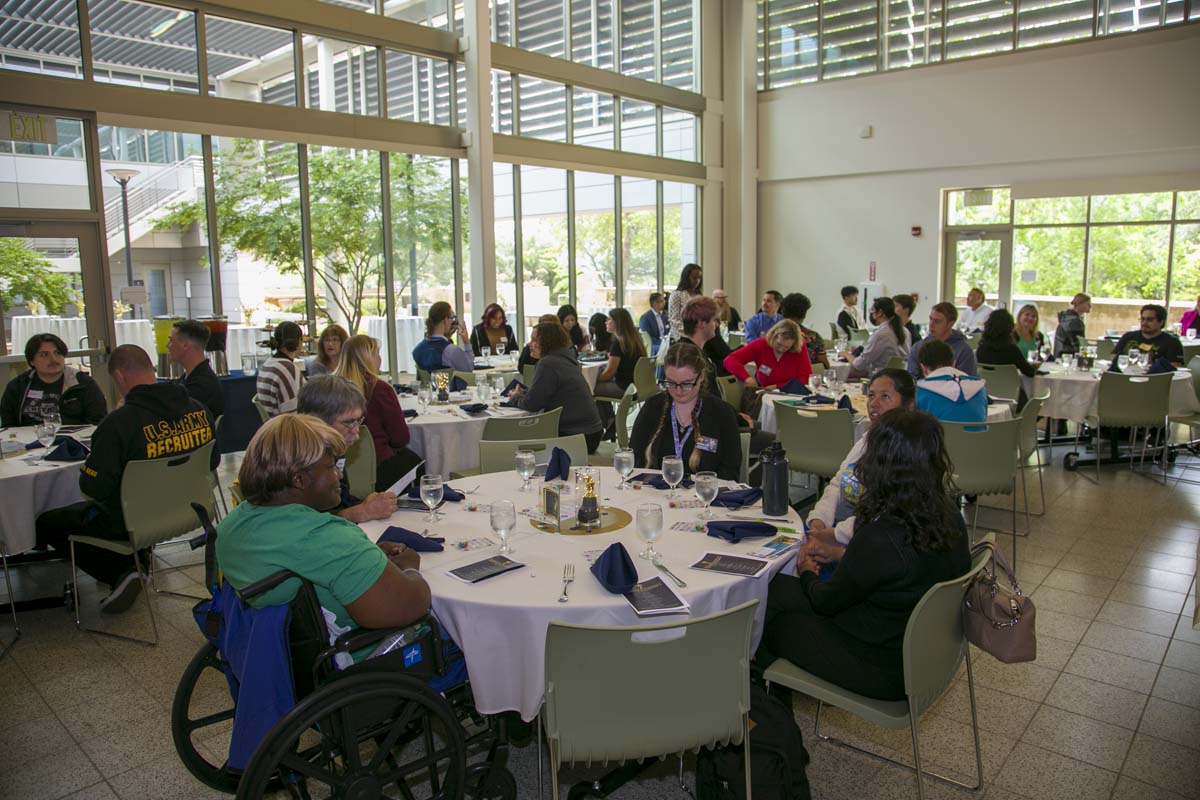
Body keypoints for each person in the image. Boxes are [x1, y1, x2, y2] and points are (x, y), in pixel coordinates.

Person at [756, 408, 970, 701]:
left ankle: (770, 713)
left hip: (882, 667)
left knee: (768, 622)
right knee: (776, 588)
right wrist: (839, 554)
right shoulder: (947, 514)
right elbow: (901, 570)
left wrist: (805, 571)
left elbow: (825, 600)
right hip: (921, 650)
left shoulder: (881, 535)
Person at [216, 414, 431, 655]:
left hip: (274, 656)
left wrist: (370, 559)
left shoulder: (231, 526)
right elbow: (412, 605)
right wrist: (410, 568)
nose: (339, 475)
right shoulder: (328, 539)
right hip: (365, 659)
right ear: (299, 479)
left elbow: (312, 560)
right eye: (331, 466)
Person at [35, 345, 217, 614]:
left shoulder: (119, 424)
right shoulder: (200, 410)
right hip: (190, 509)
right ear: (151, 369)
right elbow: (212, 462)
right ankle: (137, 559)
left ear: (119, 376)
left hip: (134, 518)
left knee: (46, 522)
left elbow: (93, 487)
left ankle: (122, 570)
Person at [806, 369, 917, 555]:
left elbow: (884, 515)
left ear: (908, 405)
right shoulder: (868, 439)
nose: (874, 403)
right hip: (839, 531)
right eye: (871, 395)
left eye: (885, 397)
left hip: (871, 545)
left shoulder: (908, 452)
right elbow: (839, 482)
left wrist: (832, 536)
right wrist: (819, 521)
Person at [629, 341, 742, 482]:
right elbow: (635, 458)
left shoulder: (721, 413)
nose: (678, 391)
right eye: (671, 383)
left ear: (701, 376)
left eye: (687, 384)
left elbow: (730, 472)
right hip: (656, 491)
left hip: (704, 492)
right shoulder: (653, 407)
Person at [297, 375, 400, 524]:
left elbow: (342, 502)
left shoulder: (330, 452)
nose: (356, 432)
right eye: (349, 422)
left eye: (359, 421)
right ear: (318, 422)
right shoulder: (300, 463)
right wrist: (359, 513)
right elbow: (302, 525)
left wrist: (368, 504)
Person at [337, 334, 422, 493]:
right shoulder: (379, 389)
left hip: (337, 467)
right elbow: (400, 438)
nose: (380, 359)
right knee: (418, 465)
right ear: (367, 358)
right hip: (379, 468)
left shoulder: (330, 388)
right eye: (377, 354)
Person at [511, 321, 604, 454]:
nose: (529, 344)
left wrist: (515, 397)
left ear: (547, 342)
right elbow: (549, 392)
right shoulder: (565, 358)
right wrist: (525, 393)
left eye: (534, 340)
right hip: (591, 432)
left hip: (577, 436)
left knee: (520, 442)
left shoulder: (547, 363)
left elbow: (531, 404)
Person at [2, 333, 106, 427]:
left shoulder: (83, 383)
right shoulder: (18, 386)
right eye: (44, 354)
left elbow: (97, 422)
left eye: (57, 353)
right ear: (32, 361)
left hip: (73, 439)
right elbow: (8, 425)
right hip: (28, 439)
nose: (53, 359)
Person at [593, 308, 648, 434]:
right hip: (637, 385)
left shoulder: (618, 343)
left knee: (591, 388)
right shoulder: (635, 339)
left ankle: (608, 422)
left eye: (609, 319)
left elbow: (609, 374)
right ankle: (611, 420)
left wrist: (593, 379)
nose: (606, 322)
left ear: (617, 323)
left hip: (625, 388)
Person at [723, 319, 814, 393]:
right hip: (765, 395)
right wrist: (746, 377)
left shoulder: (798, 349)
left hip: (792, 395)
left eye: (787, 347)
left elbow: (806, 378)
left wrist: (777, 386)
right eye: (778, 344)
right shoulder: (761, 344)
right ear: (773, 336)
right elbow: (730, 360)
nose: (781, 349)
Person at [975, 309, 1038, 410]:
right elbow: (1029, 372)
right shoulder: (1012, 350)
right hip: (1012, 397)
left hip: (987, 395)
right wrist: (1035, 367)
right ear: (1010, 328)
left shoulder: (981, 349)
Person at [915, 340, 987, 423]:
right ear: (954, 363)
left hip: (940, 431)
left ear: (923, 367)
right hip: (979, 432)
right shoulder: (980, 388)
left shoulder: (921, 391)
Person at [167, 319, 224, 418]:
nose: (167, 345)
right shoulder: (188, 379)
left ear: (185, 345)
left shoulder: (202, 385)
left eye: (171, 340)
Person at [907, 302, 978, 377]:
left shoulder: (963, 351)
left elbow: (967, 380)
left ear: (951, 323)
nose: (931, 324)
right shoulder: (918, 347)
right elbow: (912, 377)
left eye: (937, 321)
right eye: (931, 319)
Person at [847, 297, 910, 380]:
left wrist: (847, 355)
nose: (871, 314)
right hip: (899, 377)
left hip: (880, 377)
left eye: (872, 310)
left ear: (880, 313)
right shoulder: (906, 331)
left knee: (840, 371)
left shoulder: (880, 334)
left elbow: (859, 364)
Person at [682, 296, 733, 391]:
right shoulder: (689, 358)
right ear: (701, 323)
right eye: (714, 320)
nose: (717, 325)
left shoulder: (694, 351)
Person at [256, 320, 304, 417]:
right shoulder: (287, 369)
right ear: (298, 342)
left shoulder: (268, 364)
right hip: (285, 424)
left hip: (273, 423)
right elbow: (292, 416)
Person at [412, 301, 474, 376]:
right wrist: (466, 342)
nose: (452, 321)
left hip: (429, 383)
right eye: (452, 318)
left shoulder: (417, 350)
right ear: (445, 320)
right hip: (448, 383)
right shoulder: (451, 351)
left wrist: (447, 337)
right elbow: (468, 369)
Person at [1114, 304, 1185, 368]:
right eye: (1142, 319)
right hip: (1125, 375)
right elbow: (1114, 358)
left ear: (1161, 322)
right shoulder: (1128, 336)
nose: (1144, 323)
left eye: (1150, 320)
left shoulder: (1172, 342)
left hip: (1156, 377)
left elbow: (1175, 367)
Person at [780, 292, 829, 370]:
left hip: (778, 374)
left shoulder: (773, 335)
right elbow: (824, 363)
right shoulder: (813, 336)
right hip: (808, 375)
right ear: (804, 314)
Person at [667, 263, 703, 338]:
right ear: (686, 278)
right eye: (694, 278)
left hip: (698, 335)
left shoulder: (699, 295)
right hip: (680, 336)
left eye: (699, 278)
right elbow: (674, 320)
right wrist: (690, 333)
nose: (697, 281)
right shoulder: (677, 294)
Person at [1053, 293, 1091, 358]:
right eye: (1088, 304)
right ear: (1079, 304)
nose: (1090, 306)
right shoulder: (1075, 322)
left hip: (1059, 355)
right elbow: (1080, 347)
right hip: (1068, 357)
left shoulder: (1066, 318)